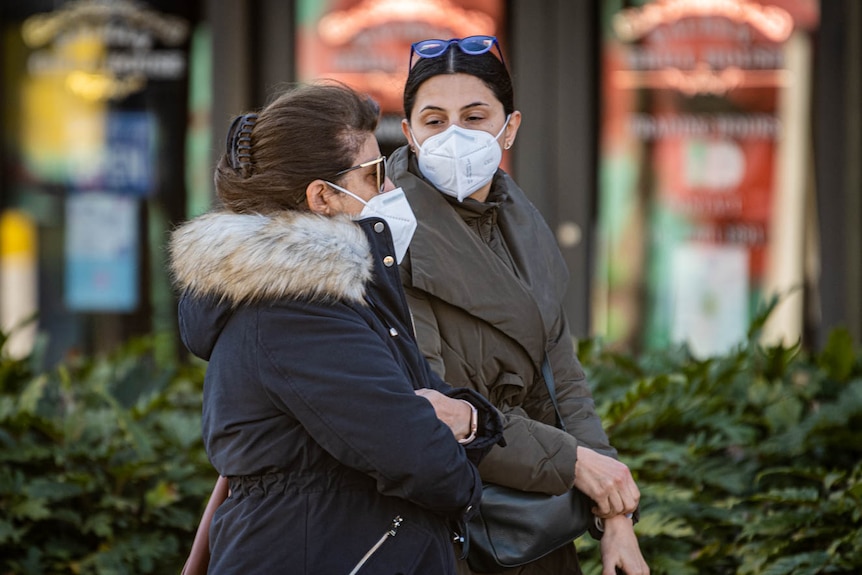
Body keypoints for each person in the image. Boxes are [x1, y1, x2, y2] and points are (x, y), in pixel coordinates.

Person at [169, 81, 504, 575]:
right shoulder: (296, 310)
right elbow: (423, 460)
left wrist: (471, 419)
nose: (390, 189)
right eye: (374, 175)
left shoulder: (337, 294)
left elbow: (428, 404)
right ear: (322, 196)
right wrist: (460, 446)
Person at [389, 36, 650, 575]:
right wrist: (576, 464)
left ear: (509, 128)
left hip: (536, 521)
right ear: (410, 134)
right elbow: (432, 402)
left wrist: (615, 513)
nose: (454, 135)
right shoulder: (388, 234)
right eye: (435, 120)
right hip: (450, 525)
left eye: (475, 116)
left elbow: (563, 383)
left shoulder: (521, 224)